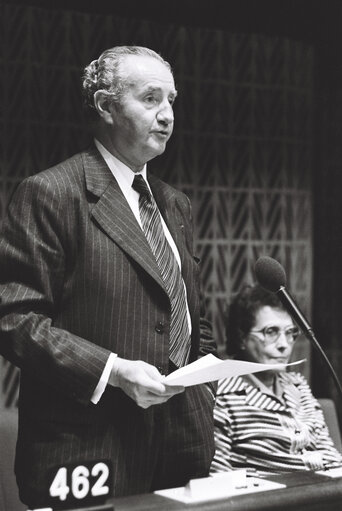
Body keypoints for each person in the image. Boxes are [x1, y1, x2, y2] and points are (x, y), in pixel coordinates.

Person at [0, 45, 217, 508]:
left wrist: (207, 385)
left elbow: (188, 312)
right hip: (90, 448)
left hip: (182, 446)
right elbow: (15, 320)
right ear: (105, 106)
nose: (167, 114)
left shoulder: (175, 204)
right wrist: (113, 371)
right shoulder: (51, 192)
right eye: (151, 98)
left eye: (172, 100)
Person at [210, 283, 342, 476]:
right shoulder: (222, 394)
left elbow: (330, 456)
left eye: (290, 333)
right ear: (241, 337)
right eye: (271, 332)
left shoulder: (297, 384)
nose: (284, 345)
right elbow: (219, 479)